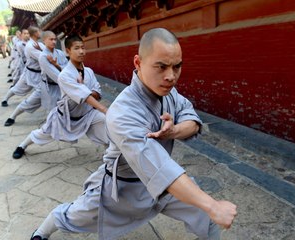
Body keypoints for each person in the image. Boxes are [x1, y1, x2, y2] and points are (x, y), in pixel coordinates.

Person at [30, 28, 237, 240]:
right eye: (161, 66)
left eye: (177, 67)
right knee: (73, 216)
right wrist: (212, 205)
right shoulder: (123, 112)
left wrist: (174, 130)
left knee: (205, 215)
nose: (171, 76)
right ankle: (41, 232)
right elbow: (159, 167)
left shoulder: (168, 91)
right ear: (138, 63)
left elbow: (192, 120)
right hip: (123, 189)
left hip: (162, 187)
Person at [12, 34, 107, 159]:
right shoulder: (64, 75)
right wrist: (104, 108)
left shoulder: (88, 71)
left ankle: (111, 159)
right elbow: (85, 95)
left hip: (87, 113)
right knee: (43, 133)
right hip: (66, 116)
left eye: (83, 48)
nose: (81, 51)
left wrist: (84, 90)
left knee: (107, 130)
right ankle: (22, 145)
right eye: (77, 48)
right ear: (68, 51)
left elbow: (97, 92)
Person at [3, 31, 66, 126]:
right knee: (29, 102)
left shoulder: (59, 53)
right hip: (46, 86)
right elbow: (56, 75)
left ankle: (54, 124)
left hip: (58, 86)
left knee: (59, 107)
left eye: (55, 39)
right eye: (51, 39)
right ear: (44, 40)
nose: (53, 42)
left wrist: (57, 65)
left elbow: (66, 68)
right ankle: (12, 116)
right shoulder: (42, 56)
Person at [0, 26, 44, 111]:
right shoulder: (23, 45)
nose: (26, 35)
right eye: (25, 33)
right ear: (21, 35)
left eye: (27, 33)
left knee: (41, 90)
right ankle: (5, 99)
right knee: (18, 88)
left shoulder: (39, 44)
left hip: (38, 73)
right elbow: (24, 57)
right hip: (28, 70)